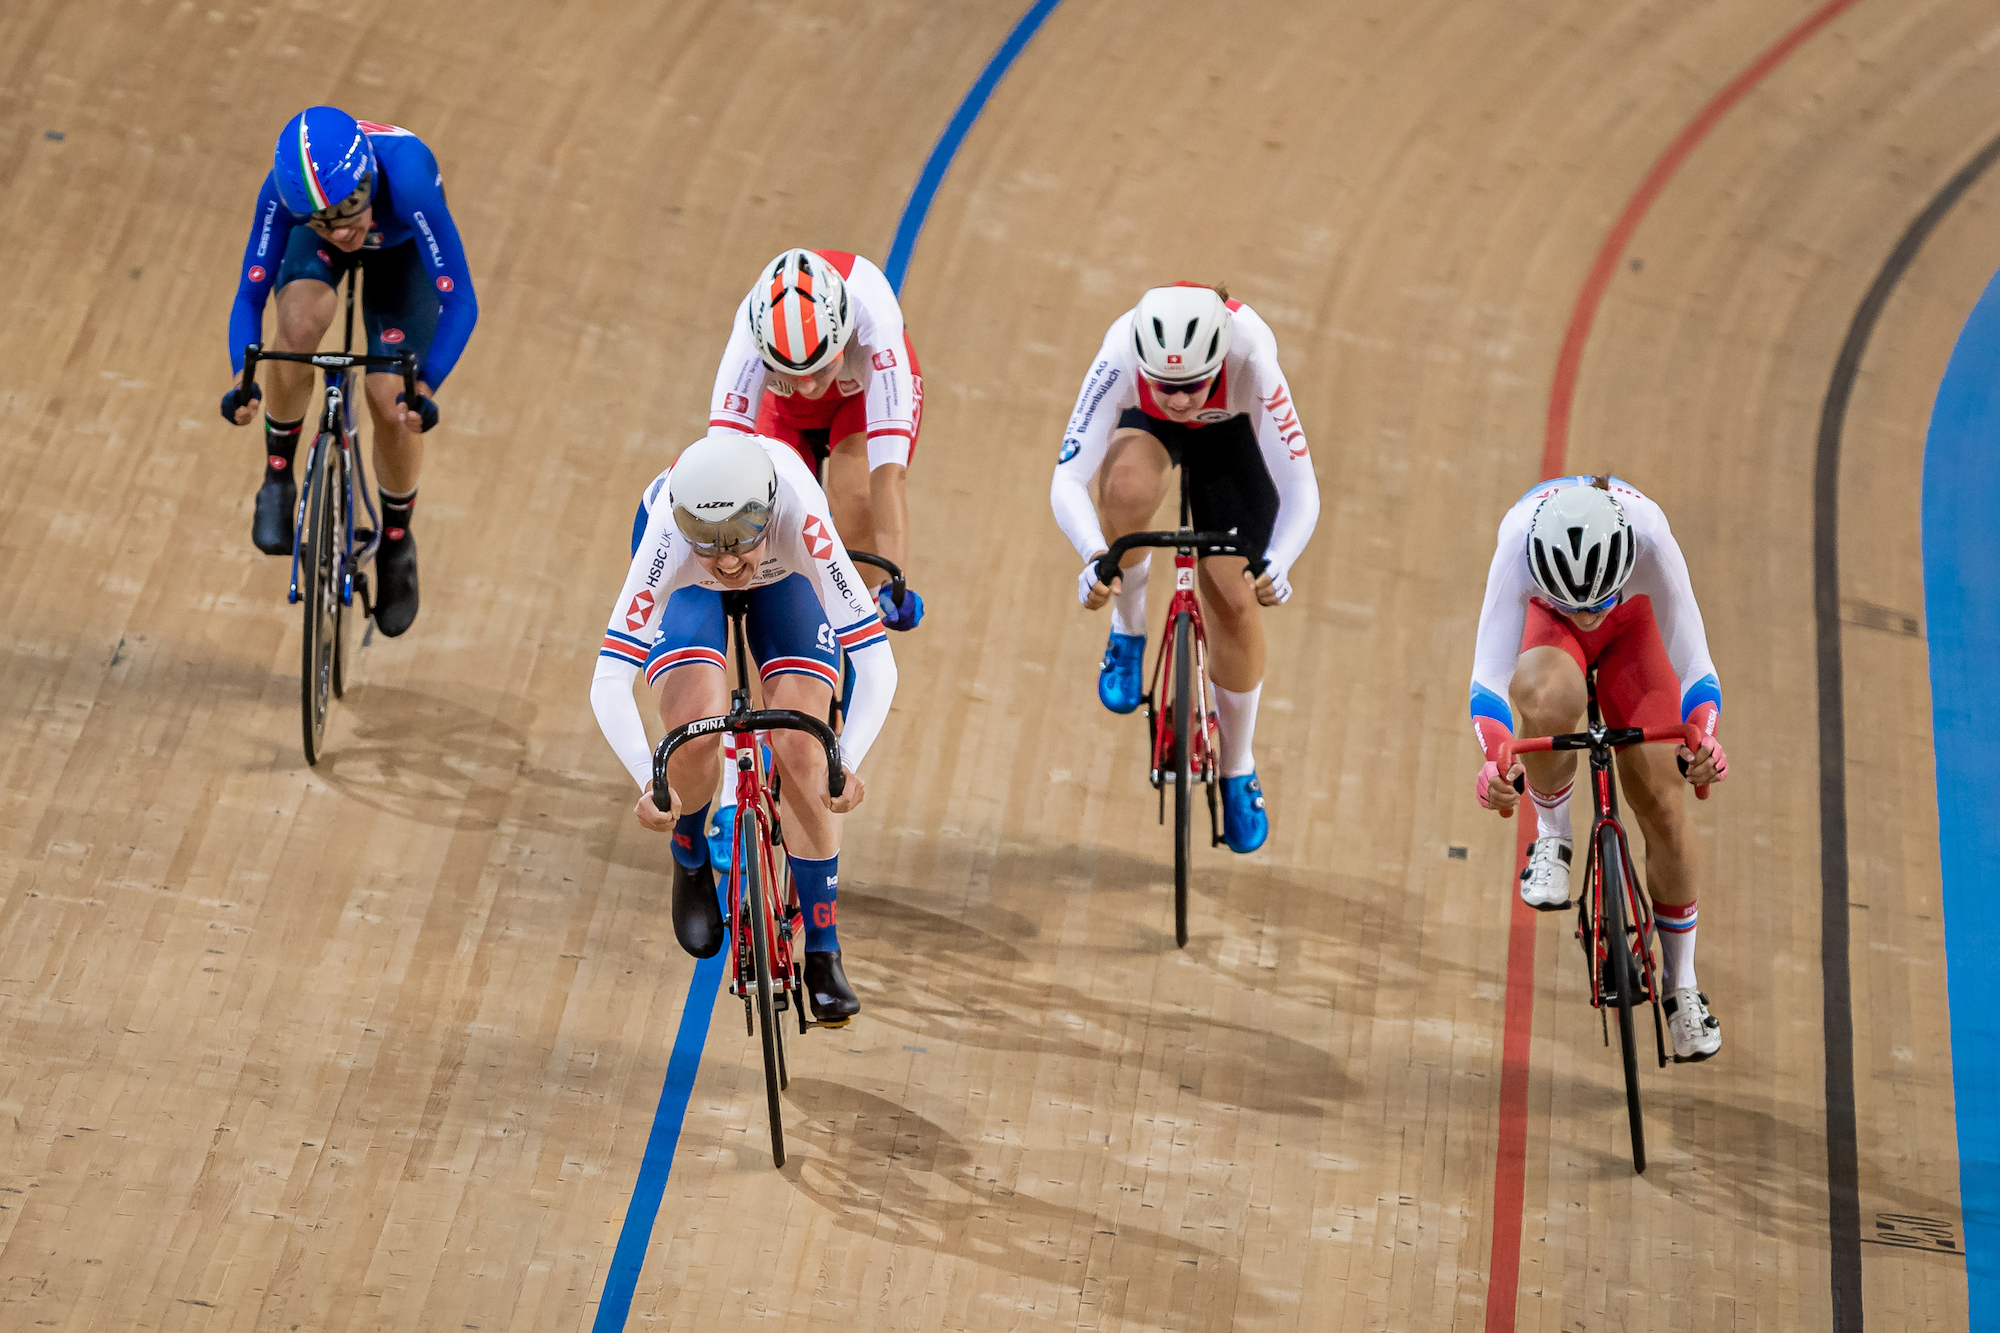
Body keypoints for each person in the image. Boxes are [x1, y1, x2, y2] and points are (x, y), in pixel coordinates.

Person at [591, 432, 896, 1022]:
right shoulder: (667, 536)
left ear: (767, 512)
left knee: (807, 748)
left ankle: (824, 952)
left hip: (787, 575)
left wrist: (846, 759)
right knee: (695, 730)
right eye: (708, 544)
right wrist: (649, 783)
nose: (728, 562)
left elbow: (877, 662)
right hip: (689, 594)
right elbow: (608, 681)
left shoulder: (802, 519)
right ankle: (689, 852)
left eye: (739, 543)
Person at [1050, 282, 1320, 853]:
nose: (1178, 400)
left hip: (1233, 434)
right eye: (1164, 385)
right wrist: (1095, 555)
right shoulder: (1122, 349)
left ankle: (1238, 766)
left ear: (1219, 360)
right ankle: (1128, 630)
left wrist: (1281, 562)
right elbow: (1067, 477)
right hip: (1147, 434)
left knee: (1235, 600)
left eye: (1191, 385)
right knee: (1123, 488)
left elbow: (1301, 488)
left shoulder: (1252, 357)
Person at [1469, 475, 1728, 1062]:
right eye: (1574, 603)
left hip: (1634, 630)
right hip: (1547, 635)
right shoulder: (1518, 541)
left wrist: (1703, 741)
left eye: (1596, 601)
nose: (1587, 616)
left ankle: (1681, 986)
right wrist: (1497, 759)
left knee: (1663, 801)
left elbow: (1696, 667)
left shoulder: (1651, 537)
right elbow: (1487, 678)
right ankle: (1553, 840)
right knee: (1545, 696)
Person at [219, 106, 478, 637]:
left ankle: (398, 544)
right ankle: (277, 476)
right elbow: (250, 294)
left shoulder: (408, 180)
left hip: (401, 254)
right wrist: (240, 377)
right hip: (319, 247)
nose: (341, 230)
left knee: (391, 398)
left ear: (369, 178)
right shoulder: (286, 194)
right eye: (322, 221)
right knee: (295, 326)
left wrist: (425, 384)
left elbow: (462, 302)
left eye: (351, 208)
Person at [707, 248, 924, 632]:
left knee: (858, 497)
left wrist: (896, 582)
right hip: (783, 412)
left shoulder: (876, 327)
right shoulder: (748, 337)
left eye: (820, 369)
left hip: (859, 400)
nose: (808, 386)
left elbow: (888, 478)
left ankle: (863, 626)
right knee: (765, 518)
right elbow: (723, 467)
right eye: (792, 373)